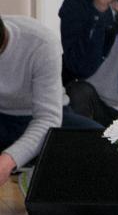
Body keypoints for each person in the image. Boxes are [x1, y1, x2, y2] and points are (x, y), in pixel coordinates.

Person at [0, 14, 101, 183]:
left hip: (45, 115)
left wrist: (9, 160)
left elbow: (48, 118)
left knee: (101, 143)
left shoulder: (41, 43)